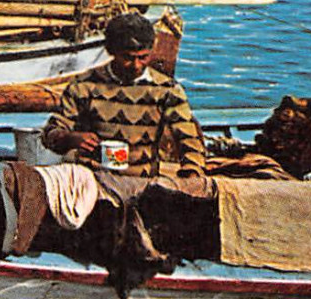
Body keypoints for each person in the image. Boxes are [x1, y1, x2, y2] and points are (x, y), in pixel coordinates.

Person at [42, 12, 206, 179]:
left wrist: (191, 172)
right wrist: (69, 138)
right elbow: (51, 132)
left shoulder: (166, 90)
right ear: (111, 50)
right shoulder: (84, 86)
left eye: (143, 58)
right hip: (92, 180)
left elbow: (189, 139)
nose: (136, 65)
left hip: (143, 182)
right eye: (128, 58)